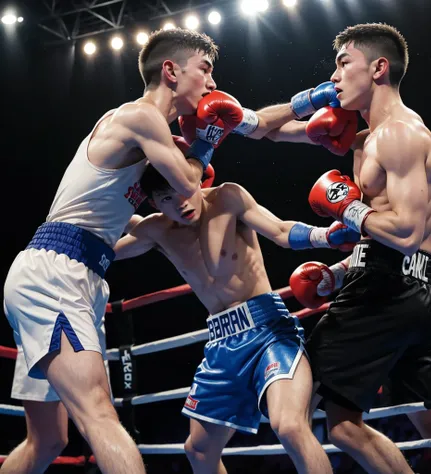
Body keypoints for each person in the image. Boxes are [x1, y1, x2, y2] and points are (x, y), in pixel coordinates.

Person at [1, 27, 250, 474]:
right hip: (56, 276)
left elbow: (116, 229)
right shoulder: (140, 117)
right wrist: (209, 138)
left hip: (78, 271)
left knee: (48, 440)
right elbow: (190, 180)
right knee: (99, 412)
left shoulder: (144, 141)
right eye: (206, 70)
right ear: (171, 71)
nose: (213, 84)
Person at [112, 147, 360, 474]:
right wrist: (105, 199)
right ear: (155, 204)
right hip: (220, 342)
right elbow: (106, 249)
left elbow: (281, 231)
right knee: (198, 450)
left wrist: (325, 236)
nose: (181, 202)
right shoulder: (158, 231)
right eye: (167, 199)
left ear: (194, 177)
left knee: (289, 426)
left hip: (268, 331)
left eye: (183, 189)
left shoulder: (227, 198)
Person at [286, 22, 431, 474]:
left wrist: (346, 208)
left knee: (298, 397)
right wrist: (338, 273)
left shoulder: (398, 134)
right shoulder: (367, 139)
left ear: (379, 68)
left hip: (387, 290)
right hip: (411, 288)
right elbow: (392, 239)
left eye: (344, 64)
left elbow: (403, 231)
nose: (335, 76)